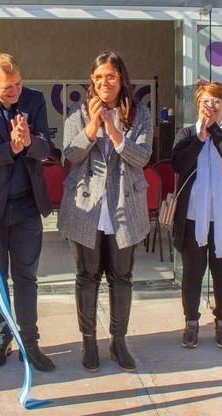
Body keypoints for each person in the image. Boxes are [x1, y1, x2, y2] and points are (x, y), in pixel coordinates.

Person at [58, 51, 152, 373]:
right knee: (87, 276)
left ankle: (118, 342)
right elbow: (70, 154)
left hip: (124, 205)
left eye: (110, 76)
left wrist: (113, 131)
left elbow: (142, 157)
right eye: (98, 77)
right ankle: (88, 342)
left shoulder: (140, 114)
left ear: (121, 78)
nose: (104, 82)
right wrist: (92, 126)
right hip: (87, 207)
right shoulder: (79, 111)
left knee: (121, 276)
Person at [0, 53, 55, 372]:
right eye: (8, 87)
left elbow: (46, 147)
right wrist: (12, 148)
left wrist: (28, 143)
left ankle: (29, 342)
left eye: (18, 83)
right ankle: (1, 338)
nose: (15, 91)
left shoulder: (35, 100)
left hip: (27, 205)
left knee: (26, 276)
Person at [170, 82, 222, 350]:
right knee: (192, 273)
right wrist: (200, 137)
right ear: (197, 106)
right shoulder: (186, 133)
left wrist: (214, 129)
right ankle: (191, 322)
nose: (210, 107)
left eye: (216, 102)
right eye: (205, 102)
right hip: (193, 218)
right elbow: (179, 164)